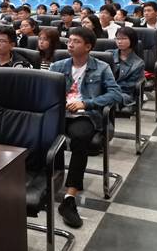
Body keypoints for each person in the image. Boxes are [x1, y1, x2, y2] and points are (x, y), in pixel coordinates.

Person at [50, 28, 122, 229]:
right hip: (58, 114)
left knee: (80, 138)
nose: (70, 44)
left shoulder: (102, 68)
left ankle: (69, 197)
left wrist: (87, 103)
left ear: (88, 46)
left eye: (76, 41)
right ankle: (45, 183)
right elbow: (46, 90)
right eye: (69, 40)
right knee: (38, 134)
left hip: (85, 116)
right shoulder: (57, 66)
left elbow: (116, 94)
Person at [110, 26, 145, 104]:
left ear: (132, 40)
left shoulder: (138, 63)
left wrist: (110, 90)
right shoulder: (108, 54)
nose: (119, 41)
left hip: (124, 94)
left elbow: (129, 87)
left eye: (123, 39)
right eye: (117, 38)